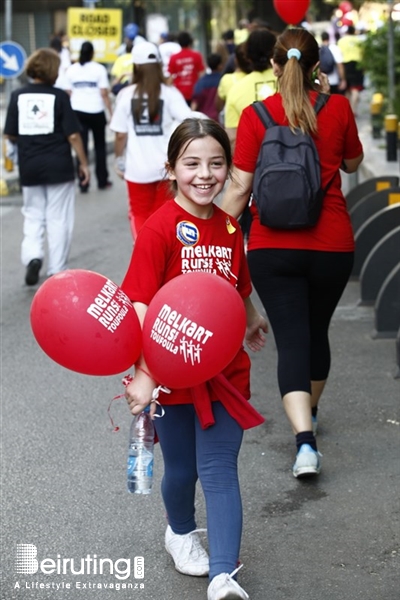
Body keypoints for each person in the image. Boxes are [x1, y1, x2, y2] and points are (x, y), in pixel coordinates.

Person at [121, 117, 267, 600]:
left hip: (225, 373)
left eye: (216, 163)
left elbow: (235, 285)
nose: (205, 174)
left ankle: (223, 575)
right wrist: (144, 375)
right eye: (192, 164)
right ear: (171, 169)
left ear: (228, 169)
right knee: (181, 471)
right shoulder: (159, 229)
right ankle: (180, 531)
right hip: (170, 375)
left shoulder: (229, 226)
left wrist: (250, 319)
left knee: (220, 467)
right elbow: (140, 303)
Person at [221, 27, 364, 478]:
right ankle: (310, 413)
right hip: (332, 245)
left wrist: (209, 232)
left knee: (291, 341)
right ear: (316, 67)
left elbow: (240, 188)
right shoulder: (337, 108)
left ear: (274, 65)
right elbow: (354, 164)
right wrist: (324, 97)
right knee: (316, 332)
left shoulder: (255, 115)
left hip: (271, 246)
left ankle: (305, 443)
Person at [3, 48, 89, 286]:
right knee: (58, 218)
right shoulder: (59, 97)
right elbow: (73, 135)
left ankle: (33, 257)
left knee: (32, 215)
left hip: (29, 165)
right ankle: (57, 269)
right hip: (58, 165)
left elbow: (10, 135)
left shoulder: (17, 96)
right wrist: (83, 163)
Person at [110, 42, 206, 240]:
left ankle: (144, 255)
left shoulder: (126, 95)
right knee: (165, 216)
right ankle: (165, 256)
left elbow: (120, 135)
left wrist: (119, 159)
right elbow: (189, 120)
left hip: (137, 169)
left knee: (139, 215)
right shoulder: (170, 94)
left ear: (135, 67)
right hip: (166, 167)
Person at [64, 41, 113, 192]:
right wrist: (111, 112)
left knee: (81, 147)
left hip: (77, 111)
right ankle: (102, 180)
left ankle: (83, 182)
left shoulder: (71, 70)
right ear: (92, 53)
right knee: (100, 147)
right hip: (96, 111)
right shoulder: (99, 69)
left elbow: (68, 92)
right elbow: (104, 93)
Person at [224, 28, 277, 149]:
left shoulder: (235, 90)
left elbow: (233, 139)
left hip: (254, 163)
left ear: (247, 55)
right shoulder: (293, 83)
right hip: (296, 160)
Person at [168, 31, 205, 106]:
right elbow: (202, 74)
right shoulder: (197, 55)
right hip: (194, 93)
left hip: (179, 94)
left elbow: (170, 77)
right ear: (190, 42)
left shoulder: (173, 58)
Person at [337, 25, 365, 116]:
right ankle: (353, 110)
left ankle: (347, 110)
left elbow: (338, 54)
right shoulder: (359, 40)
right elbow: (363, 54)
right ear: (354, 31)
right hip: (357, 65)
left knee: (347, 89)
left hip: (345, 65)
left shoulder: (341, 41)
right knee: (355, 88)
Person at [191, 53, 223, 121]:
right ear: (220, 65)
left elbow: (194, 104)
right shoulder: (223, 80)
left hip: (204, 119)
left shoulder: (201, 82)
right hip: (219, 120)